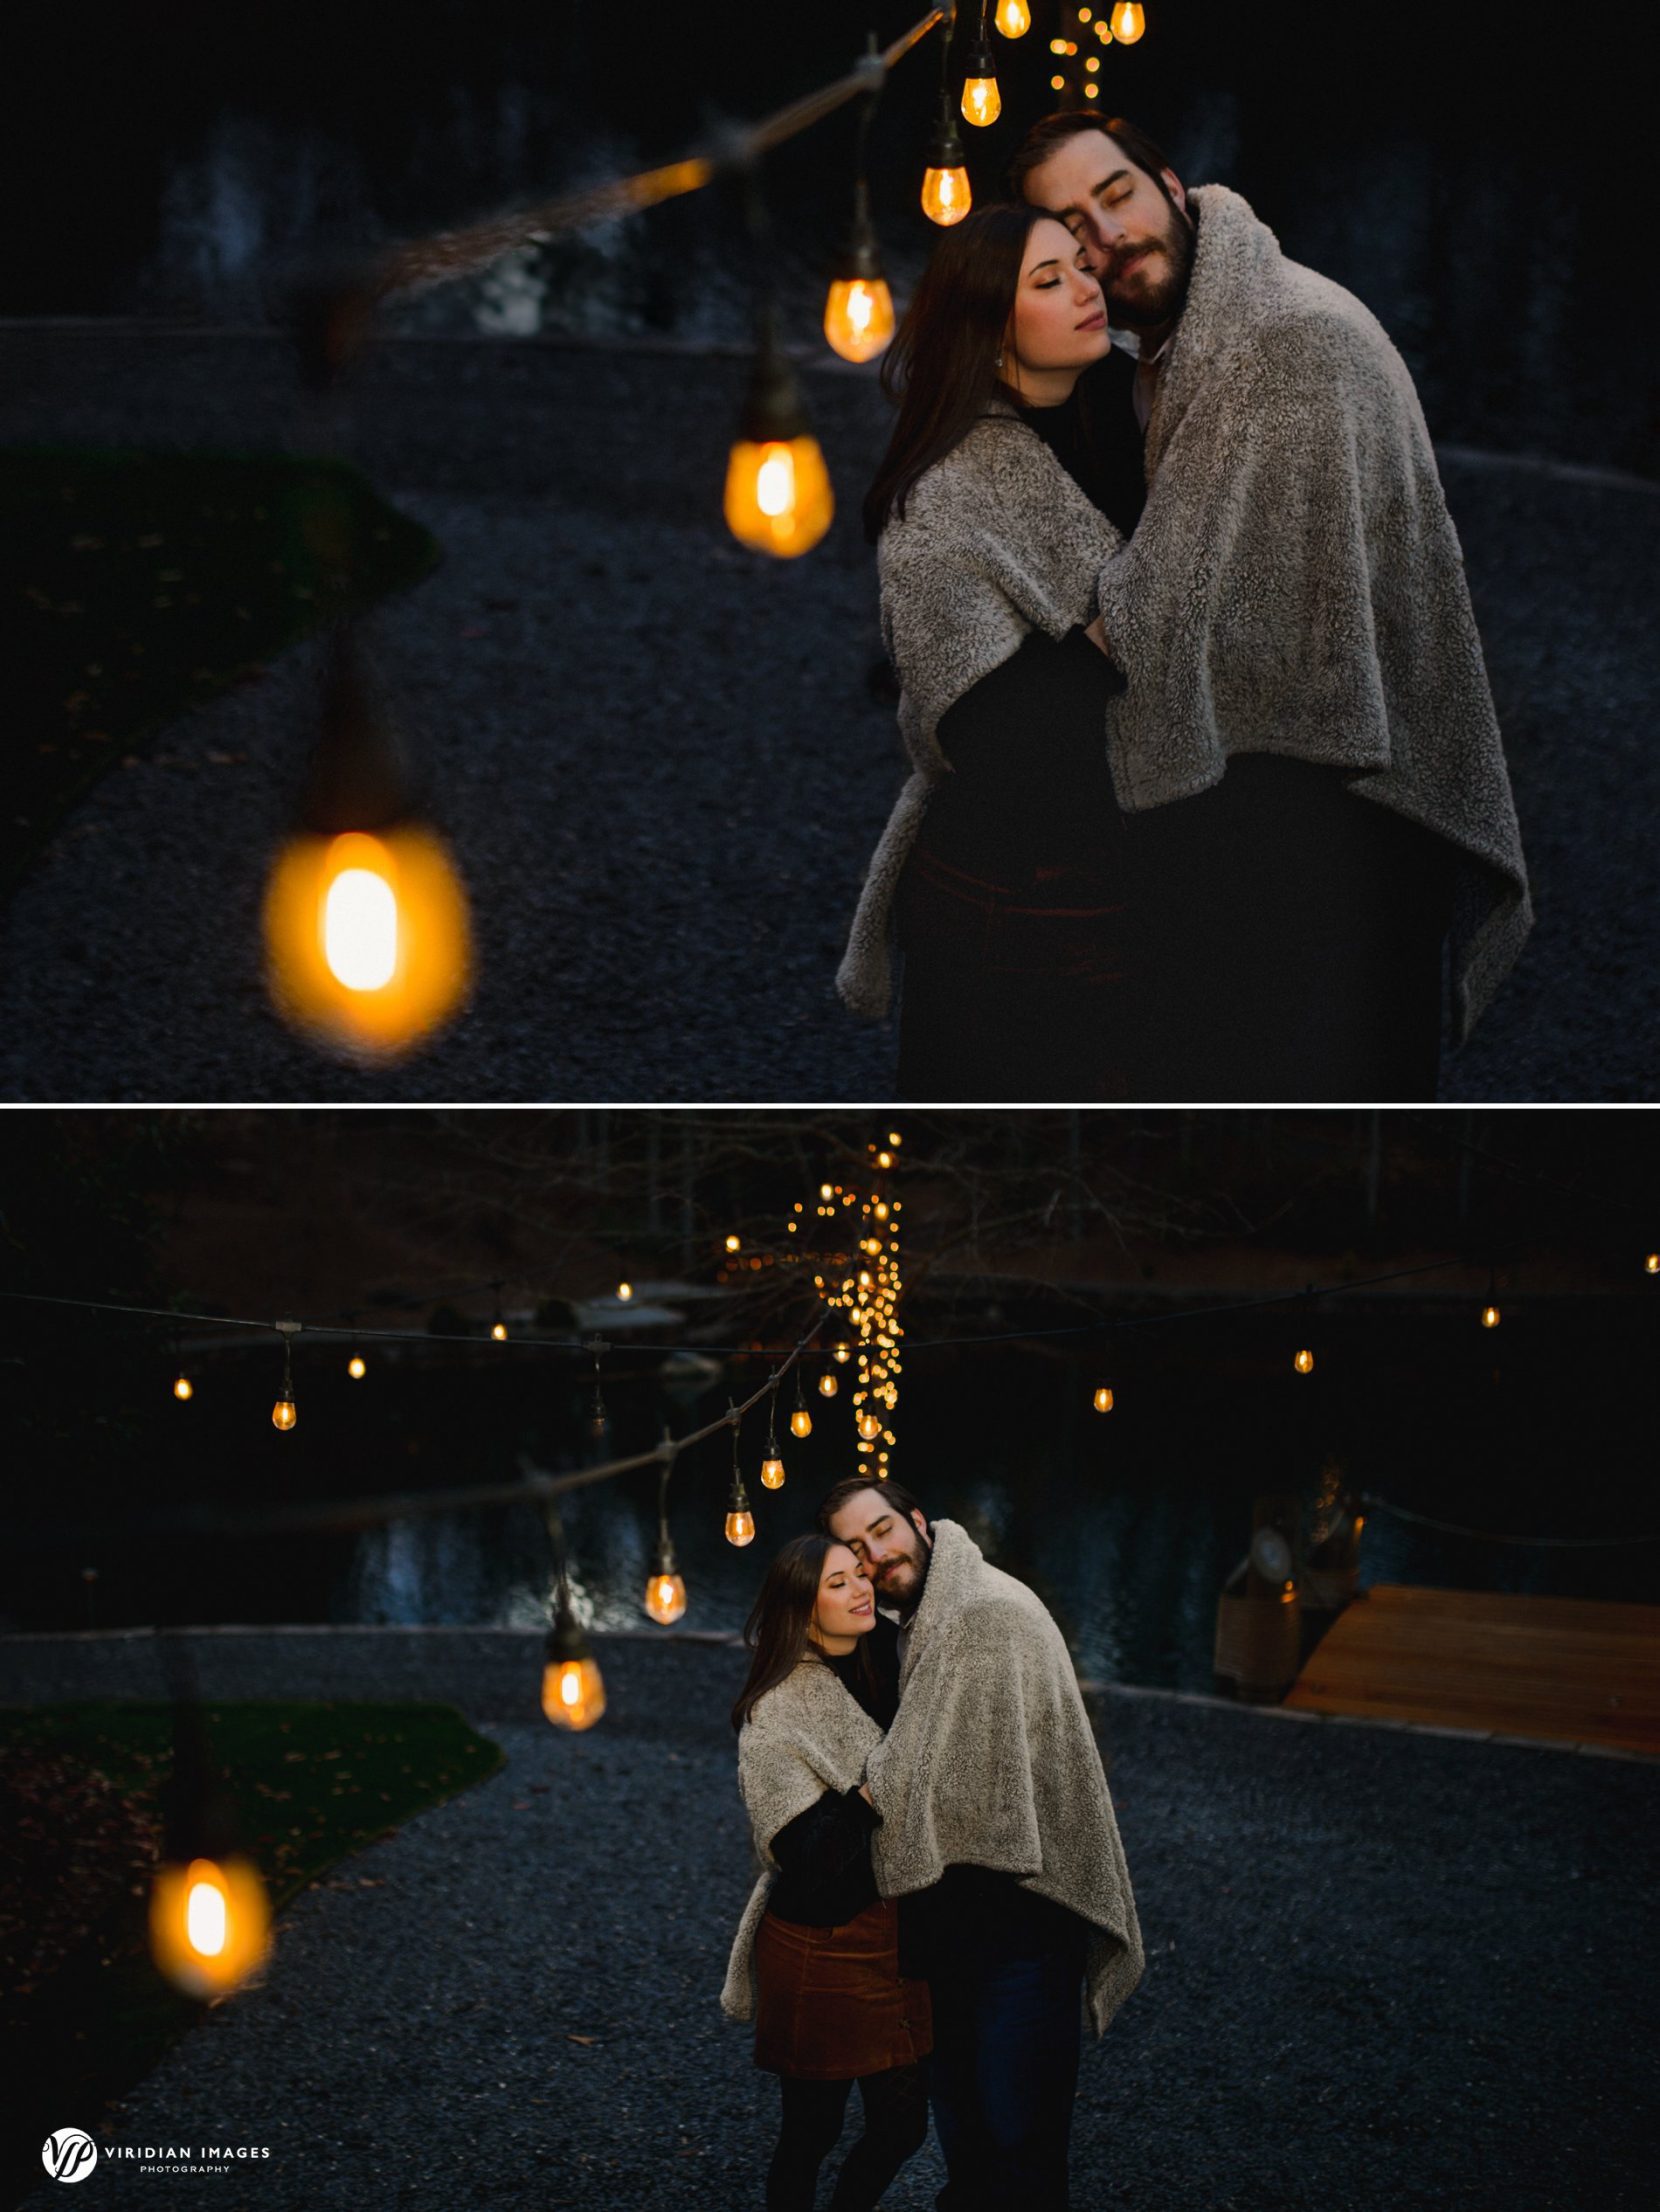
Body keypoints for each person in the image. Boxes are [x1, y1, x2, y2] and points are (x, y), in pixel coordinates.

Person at [838, 121, 1532, 1103]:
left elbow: (1195, 608)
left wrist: (1102, 630)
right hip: (1162, 858)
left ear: (1169, 182)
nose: (1101, 252)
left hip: (1338, 832)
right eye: (1066, 247)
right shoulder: (1124, 392)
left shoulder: (1280, 350)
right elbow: (1002, 698)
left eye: (1115, 195)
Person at [819, 1479, 1144, 2212]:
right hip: (951, 1930)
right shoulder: (917, 1625)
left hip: (1022, 1934)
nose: (877, 1555)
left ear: (918, 1520)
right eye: (857, 1549)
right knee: (967, 2145)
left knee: (1018, 2146)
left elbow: (908, 1778)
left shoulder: (982, 1615)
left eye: (883, 1531)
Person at [721, 1533, 932, 2212]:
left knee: (903, 2127)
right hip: (821, 1945)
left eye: (859, 1574)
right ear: (803, 1610)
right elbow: (803, 1853)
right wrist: (876, 1787)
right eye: (837, 1583)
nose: (860, 1589)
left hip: (898, 1934)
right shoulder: (776, 1711)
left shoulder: (890, 1663)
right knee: (811, 2131)